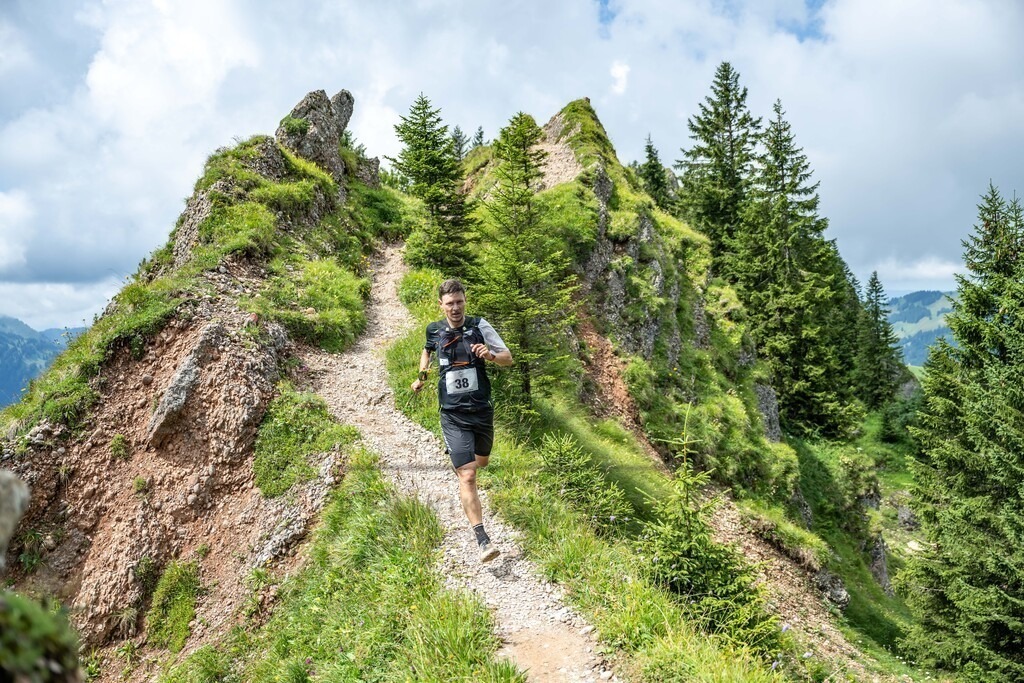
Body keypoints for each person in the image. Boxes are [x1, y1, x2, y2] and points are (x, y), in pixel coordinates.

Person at [411, 278, 513, 562]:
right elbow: (427, 350)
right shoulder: (434, 330)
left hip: (481, 410)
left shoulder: (480, 326)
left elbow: (508, 358)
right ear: (441, 305)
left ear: (465, 301)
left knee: (482, 461)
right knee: (468, 474)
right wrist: (422, 377)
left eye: (459, 302)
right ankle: (482, 539)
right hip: (452, 413)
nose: (455, 308)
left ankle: (468, 455)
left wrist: (490, 356)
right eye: (449, 304)